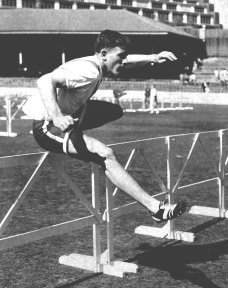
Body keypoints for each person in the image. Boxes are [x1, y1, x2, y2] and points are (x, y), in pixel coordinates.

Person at [23, 30, 186, 223]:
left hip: (68, 115)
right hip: (46, 127)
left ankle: (76, 131)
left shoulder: (98, 63)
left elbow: (126, 59)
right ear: (103, 55)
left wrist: (153, 57)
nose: (123, 62)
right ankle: (156, 209)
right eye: (120, 57)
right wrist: (57, 117)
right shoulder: (89, 71)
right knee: (105, 153)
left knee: (114, 111)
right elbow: (44, 81)